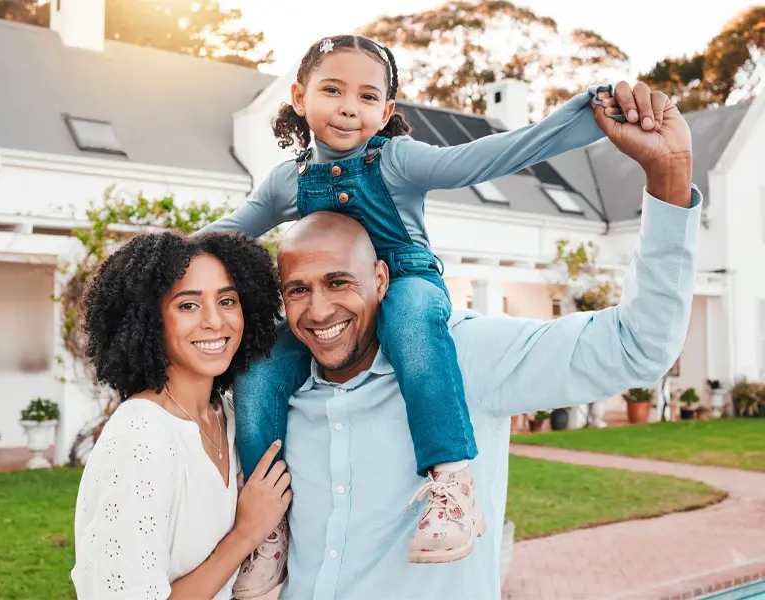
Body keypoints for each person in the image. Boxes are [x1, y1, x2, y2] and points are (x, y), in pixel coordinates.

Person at [200, 33, 637, 592]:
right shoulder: (289, 179)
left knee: (407, 321)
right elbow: (228, 233)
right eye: (332, 91)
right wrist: (155, 261)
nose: (348, 107)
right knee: (260, 362)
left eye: (366, 97)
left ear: (386, 112)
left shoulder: (397, 160)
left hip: (408, 282)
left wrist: (587, 115)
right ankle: (270, 529)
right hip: (336, 298)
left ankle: (452, 484)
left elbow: (490, 156)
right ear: (300, 97)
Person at [268, 80, 699, 600]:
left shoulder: (466, 357)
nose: (319, 310)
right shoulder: (270, 389)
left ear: (381, 279)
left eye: (340, 282)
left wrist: (668, 176)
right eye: (297, 290)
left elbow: (639, 346)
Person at [71, 231, 292, 600]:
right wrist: (246, 533)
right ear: (149, 320)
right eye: (188, 305)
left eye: (227, 300)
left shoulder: (232, 416)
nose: (214, 321)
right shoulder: (142, 435)